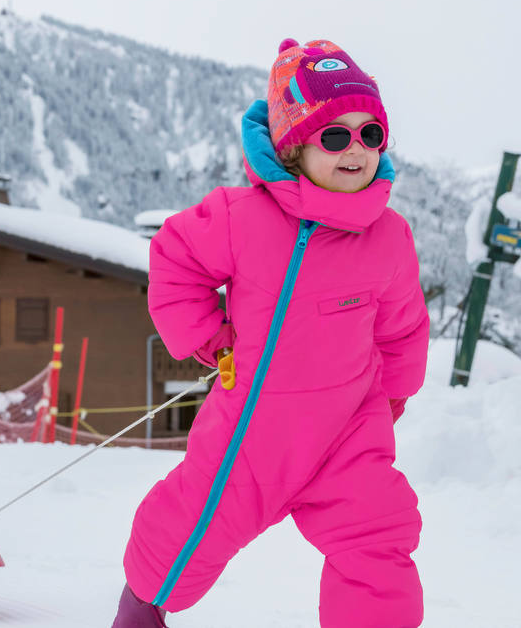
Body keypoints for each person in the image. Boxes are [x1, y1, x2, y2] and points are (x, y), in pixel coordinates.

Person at [111, 38, 430, 628]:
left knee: (379, 536)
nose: (354, 150)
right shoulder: (243, 217)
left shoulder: (389, 236)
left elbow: (403, 324)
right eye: (335, 136)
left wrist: (395, 392)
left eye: (370, 134)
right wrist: (209, 337)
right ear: (292, 149)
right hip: (255, 428)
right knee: (195, 521)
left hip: (348, 428)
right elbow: (174, 259)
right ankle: (141, 609)